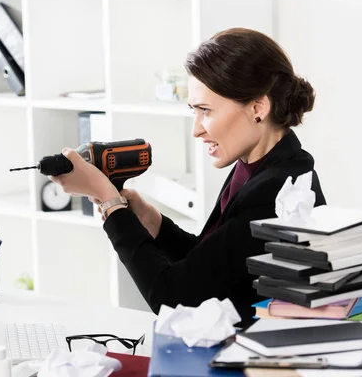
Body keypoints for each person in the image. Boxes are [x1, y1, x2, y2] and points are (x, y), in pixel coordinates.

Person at [50, 28, 326, 320]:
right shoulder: (259, 165)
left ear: (258, 107)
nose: (197, 129)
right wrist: (153, 223)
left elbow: (174, 298)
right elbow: (213, 267)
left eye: (206, 110)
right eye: (194, 110)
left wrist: (110, 203)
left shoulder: (276, 191)